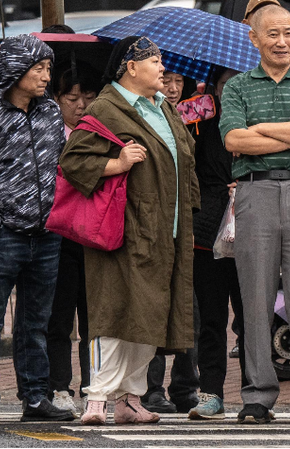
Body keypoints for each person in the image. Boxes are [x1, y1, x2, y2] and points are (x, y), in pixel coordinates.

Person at [59, 36, 200, 426]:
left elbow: (185, 161)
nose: (161, 67)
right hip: (124, 228)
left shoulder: (163, 108)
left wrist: (189, 217)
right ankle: (98, 399)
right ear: (130, 67)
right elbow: (73, 161)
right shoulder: (107, 107)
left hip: (166, 229)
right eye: (153, 61)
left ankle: (131, 398)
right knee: (113, 312)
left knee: (149, 313)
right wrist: (117, 163)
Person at [219, 3, 290, 424]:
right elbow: (234, 140)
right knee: (255, 299)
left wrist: (261, 131)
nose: (283, 41)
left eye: (288, 32)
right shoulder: (235, 88)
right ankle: (257, 396)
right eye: (273, 34)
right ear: (254, 38)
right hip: (254, 194)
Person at [0, 35, 73, 423]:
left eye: (47, 68)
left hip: (47, 235)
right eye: (38, 69)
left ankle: (35, 397)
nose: (45, 77)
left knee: (35, 322)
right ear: (15, 70)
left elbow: (61, 165)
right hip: (2, 235)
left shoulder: (51, 113)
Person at [141, 68, 201, 415]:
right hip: (154, 224)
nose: (173, 87)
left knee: (186, 307)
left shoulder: (179, 115)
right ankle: (150, 389)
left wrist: (191, 214)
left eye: (179, 82)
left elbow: (190, 169)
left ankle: (185, 386)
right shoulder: (143, 112)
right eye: (167, 79)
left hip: (182, 226)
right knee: (152, 307)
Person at [190, 67, 247, 420]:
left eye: (238, 83)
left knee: (252, 318)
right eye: (225, 83)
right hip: (208, 230)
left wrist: (247, 184)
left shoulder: (258, 124)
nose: (231, 89)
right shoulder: (199, 124)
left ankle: (256, 392)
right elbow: (187, 171)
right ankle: (210, 393)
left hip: (251, 229)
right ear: (214, 87)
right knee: (211, 318)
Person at [46, 64, 100, 416]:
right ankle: (59, 386)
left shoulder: (101, 131)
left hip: (95, 234)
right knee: (60, 316)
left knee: (95, 318)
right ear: (57, 99)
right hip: (61, 234)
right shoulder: (49, 133)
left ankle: (93, 385)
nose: (80, 104)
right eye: (71, 97)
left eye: (89, 96)